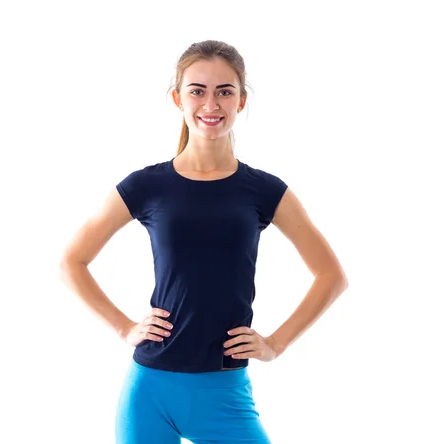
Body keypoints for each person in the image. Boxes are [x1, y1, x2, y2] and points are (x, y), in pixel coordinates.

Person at [60, 40, 348, 444]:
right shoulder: (147, 186)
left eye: (224, 92)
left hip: (224, 393)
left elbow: (331, 276)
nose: (210, 104)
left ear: (241, 101)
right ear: (178, 98)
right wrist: (124, 327)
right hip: (150, 391)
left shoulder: (265, 191)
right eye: (197, 90)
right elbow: (72, 261)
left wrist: (275, 344)